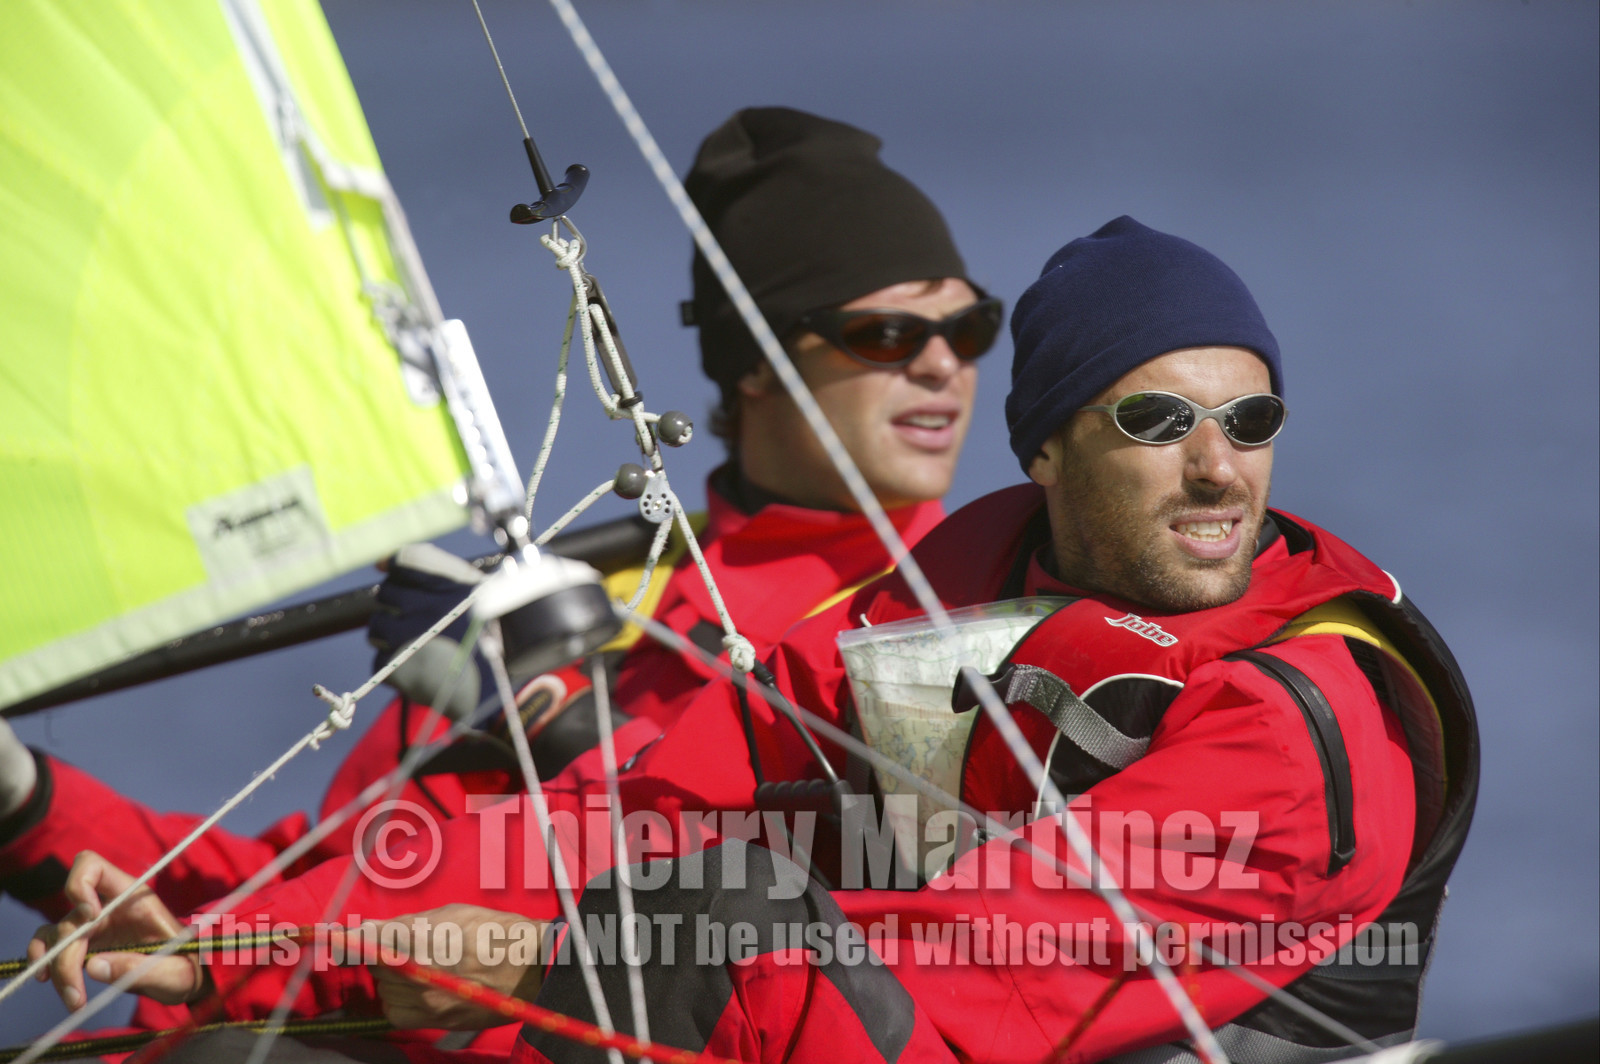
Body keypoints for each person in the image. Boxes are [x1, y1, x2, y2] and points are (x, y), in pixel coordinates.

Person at [34, 217, 1478, 1063]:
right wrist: (240, 947)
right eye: (1158, 423)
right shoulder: (937, 643)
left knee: (717, 905)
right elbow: (600, 839)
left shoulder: (1295, 728)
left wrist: (537, 971)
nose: (1221, 469)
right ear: (1044, 450)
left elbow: (956, 988)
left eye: (1253, 420)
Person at [3, 107, 993, 1054]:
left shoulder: (952, 612)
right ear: (758, 361)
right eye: (889, 336)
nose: (945, 366)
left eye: (970, 329)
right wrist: (25, 800)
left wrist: (567, 728)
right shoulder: (596, 600)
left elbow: (856, 891)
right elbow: (319, 873)